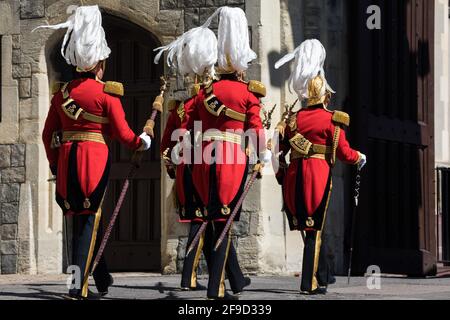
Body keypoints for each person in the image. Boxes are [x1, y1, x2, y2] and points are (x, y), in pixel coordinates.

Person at [37, 5, 151, 300]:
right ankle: (77, 286)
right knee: (87, 220)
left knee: (84, 219)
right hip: (93, 163)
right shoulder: (105, 94)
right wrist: (143, 142)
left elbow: (48, 134)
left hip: (66, 163)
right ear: (99, 61)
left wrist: (54, 164)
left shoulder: (61, 95)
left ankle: (101, 276)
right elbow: (125, 135)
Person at [181, 6, 270, 300]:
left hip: (203, 161)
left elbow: (185, 121)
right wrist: (263, 154)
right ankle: (214, 290)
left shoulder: (204, 92)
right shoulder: (248, 94)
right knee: (224, 222)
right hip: (231, 159)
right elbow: (255, 129)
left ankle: (235, 280)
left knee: (214, 218)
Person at [156, 23, 251, 295]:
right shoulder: (198, 102)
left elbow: (169, 145)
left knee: (212, 222)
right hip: (208, 165)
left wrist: (173, 165)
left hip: (194, 165)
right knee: (211, 221)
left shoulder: (186, 105)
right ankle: (203, 279)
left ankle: (231, 278)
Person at [273, 39, 367, 295]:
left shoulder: (293, 119)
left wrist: (281, 174)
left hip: (294, 175)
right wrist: (359, 157)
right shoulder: (331, 119)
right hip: (317, 176)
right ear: (325, 94)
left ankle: (322, 274)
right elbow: (344, 152)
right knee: (314, 229)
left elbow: (279, 150)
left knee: (309, 226)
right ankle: (309, 283)